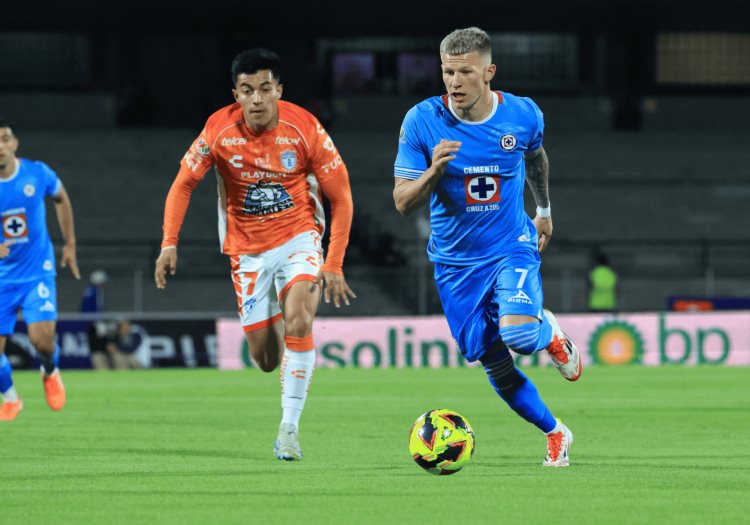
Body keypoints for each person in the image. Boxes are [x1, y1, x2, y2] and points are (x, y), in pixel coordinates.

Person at [393, 28, 582, 467]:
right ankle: (555, 431)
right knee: (496, 365)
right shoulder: (421, 121)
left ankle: (547, 333)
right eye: (447, 72)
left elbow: (536, 156)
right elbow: (403, 202)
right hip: (455, 265)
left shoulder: (522, 115)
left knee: (518, 334)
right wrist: (434, 170)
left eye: (465, 72)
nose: (454, 82)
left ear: (488, 72)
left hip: (510, 245)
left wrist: (545, 209)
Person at [154, 49, 355, 461]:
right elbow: (182, 184)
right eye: (248, 91)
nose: (258, 98)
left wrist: (332, 262)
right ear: (237, 94)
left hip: (299, 237)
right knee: (265, 359)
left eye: (265, 88)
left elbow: (342, 198)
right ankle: (284, 330)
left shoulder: (306, 129)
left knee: (300, 317)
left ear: (279, 89)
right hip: (246, 252)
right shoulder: (218, 130)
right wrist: (169, 242)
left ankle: (289, 429)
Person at [0, 119, 80, 421]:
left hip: (36, 272)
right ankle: (11, 400)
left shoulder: (37, 173)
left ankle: (50, 370)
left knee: (42, 342)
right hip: (1, 278)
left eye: (5, 139)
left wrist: (69, 244)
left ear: (14, 144)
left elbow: (61, 198)